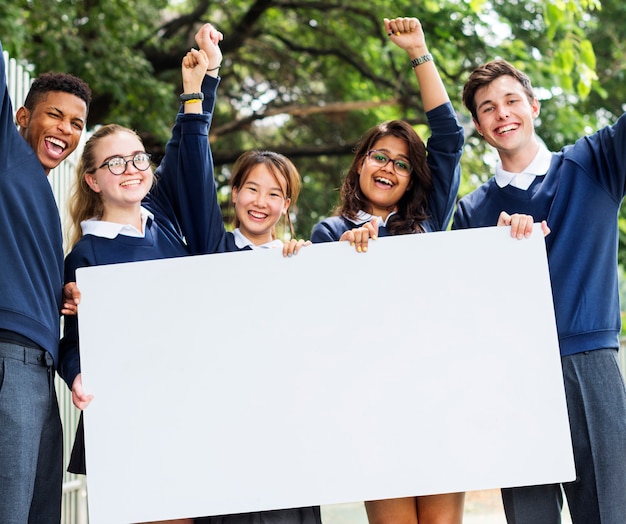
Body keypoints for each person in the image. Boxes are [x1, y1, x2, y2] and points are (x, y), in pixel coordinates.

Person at [452, 58, 626, 524]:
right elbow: (465, 304)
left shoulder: (593, 163)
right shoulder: (472, 212)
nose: (502, 113)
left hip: (590, 365)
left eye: (512, 101)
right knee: (529, 517)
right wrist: (496, 249)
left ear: (534, 106)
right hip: (515, 376)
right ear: (478, 126)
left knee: (611, 512)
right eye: (488, 108)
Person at [311, 16, 465, 524]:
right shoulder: (328, 234)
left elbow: (448, 137)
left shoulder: (428, 223)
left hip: (436, 397)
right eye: (380, 155)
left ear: (410, 180)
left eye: (401, 163)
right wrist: (346, 256)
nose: (388, 168)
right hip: (373, 406)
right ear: (360, 164)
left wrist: (419, 52)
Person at [0, 39, 91, 522]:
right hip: (7, 362)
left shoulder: (42, 198)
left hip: (41, 372)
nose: (65, 129)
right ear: (20, 117)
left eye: (77, 123)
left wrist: (57, 293)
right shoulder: (6, 156)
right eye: (55, 115)